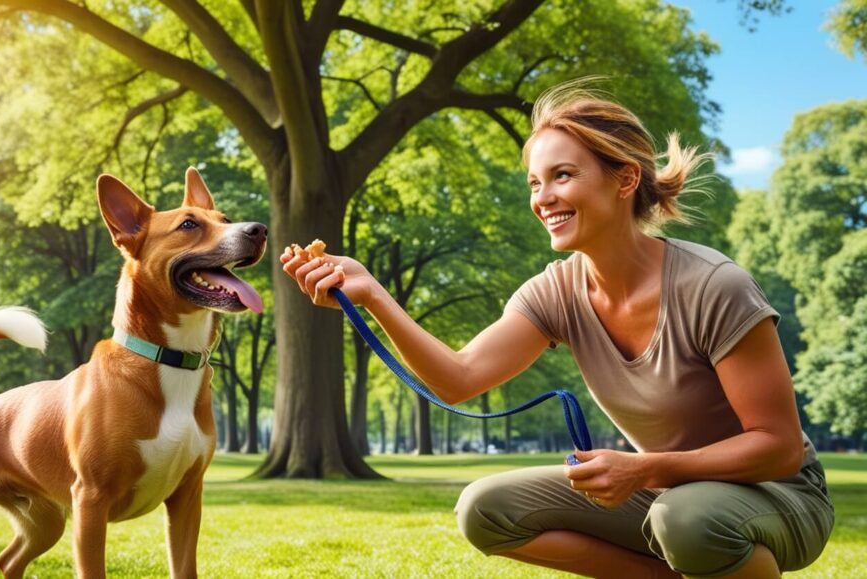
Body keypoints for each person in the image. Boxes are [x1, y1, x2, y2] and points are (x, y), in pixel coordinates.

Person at [279, 82, 833, 578]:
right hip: (663, 491)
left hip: (775, 495)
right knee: (485, 509)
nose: (543, 198)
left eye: (563, 175)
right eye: (535, 182)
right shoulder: (555, 290)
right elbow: (459, 378)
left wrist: (645, 470)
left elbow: (778, 447)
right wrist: (373, 295)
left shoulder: (714, 285)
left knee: (685, 520)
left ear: (626, 179)